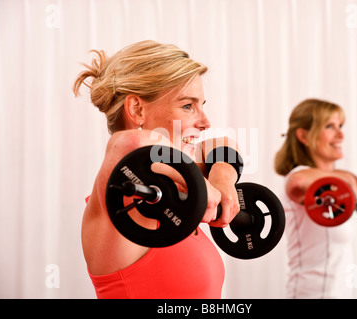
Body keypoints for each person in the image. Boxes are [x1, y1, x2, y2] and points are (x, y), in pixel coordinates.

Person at [73, 40, 242, 299]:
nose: (205, 122)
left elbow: (223, 144)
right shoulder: (118, 198)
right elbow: (129, 141)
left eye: (202, 105)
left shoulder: (171, 189)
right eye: (188, 106)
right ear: (137, 109)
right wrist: (198, 177)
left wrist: (223, 178)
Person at [274, 98, 357, 299]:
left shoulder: (330, 188)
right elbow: (296, 182)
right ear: (304, 136)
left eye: (340, 126)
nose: (341, 134)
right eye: (330, 126)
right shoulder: (301, 176)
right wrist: (350, 177)